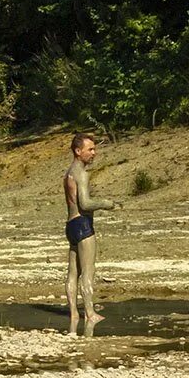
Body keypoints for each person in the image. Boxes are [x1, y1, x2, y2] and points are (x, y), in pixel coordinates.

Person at [63, 133, 121, 336]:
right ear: (78, 151)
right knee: (88, 272)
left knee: (72, 272)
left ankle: (73, 314)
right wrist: (106, 204)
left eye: (94, 149)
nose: (94, 153)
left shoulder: (69, 173)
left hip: (70, 224)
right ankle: (89, 312)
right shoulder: (81, 173)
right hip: (83, 223)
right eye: (90, 149)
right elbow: (85, 203)